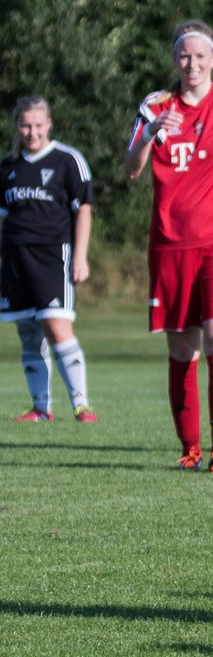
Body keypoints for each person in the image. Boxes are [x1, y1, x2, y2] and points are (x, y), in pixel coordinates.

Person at [124, 20, 213, 472]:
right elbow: (130, 169)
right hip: (170, 244)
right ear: (175, 60)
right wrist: (148, 135)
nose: (192, 64)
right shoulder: (154, 106)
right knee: (183, 349)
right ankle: (190, 449)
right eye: (185, 56)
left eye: (201, 56)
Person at [1, 96, 96, 423]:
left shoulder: (68, 160)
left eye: (38, 125)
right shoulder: (7, 167)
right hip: (15, 258)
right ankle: (41, 408)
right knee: (28, 331)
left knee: (57, 327)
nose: (32, 132)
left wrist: (80, 256)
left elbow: (83, 209)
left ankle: (81, 405)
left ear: (49, 123)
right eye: (26, 125)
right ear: (17, 125)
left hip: (54, 255)